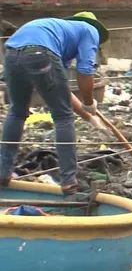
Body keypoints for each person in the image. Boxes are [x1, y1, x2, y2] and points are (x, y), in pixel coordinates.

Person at [0, 12, 109, 196]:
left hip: (11, 53)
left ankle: (3, 173)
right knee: (62, 117)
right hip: (39, 53)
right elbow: (85, 70)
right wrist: (90, 102)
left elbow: (62, 92)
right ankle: (69, 183)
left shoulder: (58, 33)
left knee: (17, 112)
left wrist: (89, 117)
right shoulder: (90, 30)